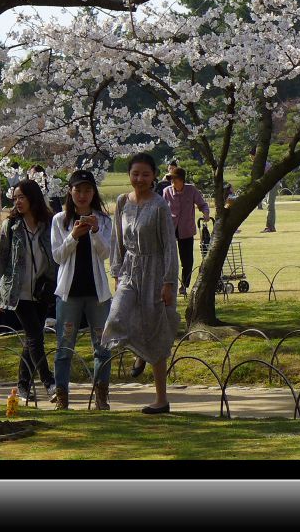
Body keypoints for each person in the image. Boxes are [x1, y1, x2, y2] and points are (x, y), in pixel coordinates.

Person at [102, 152, 179, 413]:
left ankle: (161, 399)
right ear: (129, 175)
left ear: (154, 176)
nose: (140, 178)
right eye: (135, 173)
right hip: (129, 270)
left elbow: (170, 245)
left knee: (155, 333)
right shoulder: (123, 202)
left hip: (155, 272)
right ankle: (138, 353)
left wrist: (168, 282)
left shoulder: (159, 206)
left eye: (146, 174)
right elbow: (116, 240)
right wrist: (116, 272)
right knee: (115, 318)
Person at [51, 168, 116, 411]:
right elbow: (58, 256)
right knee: (64, 346)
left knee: (103, 346)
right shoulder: (60, 220)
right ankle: (62, 398)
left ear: (93, 193)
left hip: (98, 292)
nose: (83, 195)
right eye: (78, 189)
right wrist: (74, 236)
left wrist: (96, 231)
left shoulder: (104, 220)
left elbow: (106, 254)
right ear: (70, 191)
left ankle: (101, 397)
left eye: (88, 190)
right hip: (69, 292)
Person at [0, 179, 58, 404]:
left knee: (33, 340)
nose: (18, 201)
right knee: (34, 336)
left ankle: (23, 385)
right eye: (15, 197)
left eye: (22, 197)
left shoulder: (48, 224)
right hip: (17, 291)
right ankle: (49, 382)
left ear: (33, 197)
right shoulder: (10, 226)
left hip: (42, 291)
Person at [162, 165, 210, 295]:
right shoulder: (166, 191)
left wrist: (205, 213)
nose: (173, 182)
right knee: (169, 259)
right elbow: (161, 209)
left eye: (175, 179)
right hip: (170, 229)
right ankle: (168, 285)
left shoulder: (191, 190)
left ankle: (184, 285)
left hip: (186, 229)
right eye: (171, 179)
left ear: (182, 180)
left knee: (187, 260)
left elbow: (203, 204)